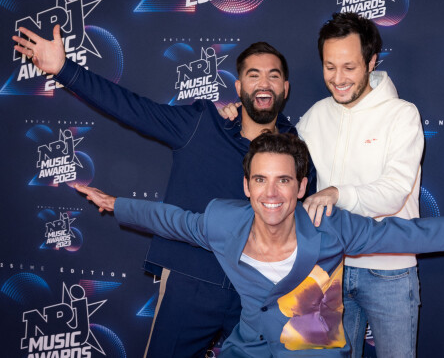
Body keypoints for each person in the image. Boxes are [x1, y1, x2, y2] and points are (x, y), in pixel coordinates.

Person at [74, 132, 444, 358]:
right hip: (247, 350)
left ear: (302, 186)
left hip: (310, 351)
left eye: (283, 181)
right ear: (246, 186)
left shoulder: (331, 230)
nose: (271, 194)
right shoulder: (224, 221)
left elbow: (419, 233)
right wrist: (114, 203)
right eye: (261, 181)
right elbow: (170, 219)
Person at [13, 26, 314, 357]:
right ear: (239, 86)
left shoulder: (297, 149)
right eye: (254, 75)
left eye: (273, 76)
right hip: (191, 279)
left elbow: (311, 216)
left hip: (260, 290)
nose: (264, 83)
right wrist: (64, 69)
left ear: (284, 88)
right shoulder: (202, 124)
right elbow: (131, 107)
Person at [219, 12, 424, 357]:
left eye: (349, 67)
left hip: (390, 269)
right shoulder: (314, 117)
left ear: (371, 61)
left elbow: (395, 190)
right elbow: (276, 152)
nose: (338, 78)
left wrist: (337, 194)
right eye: (330, 67)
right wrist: (238, 113)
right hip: (329, 268)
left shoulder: (402, 115)